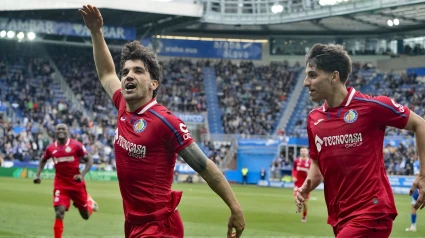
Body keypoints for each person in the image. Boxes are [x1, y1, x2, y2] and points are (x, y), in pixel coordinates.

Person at [79, 5, 245, 238]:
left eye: (138, 71)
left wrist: (235, 207)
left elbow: (204, 166)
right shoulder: (122, 106)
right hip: (134, 224)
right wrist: (96, 32)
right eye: (126, 71)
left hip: (159, 227)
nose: (128, 76)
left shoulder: (166, 122)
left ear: (153, 84)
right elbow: (107, 73)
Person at [296, 43, 425, 237]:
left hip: (372, 211)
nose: (306, 82)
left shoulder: (372, 107)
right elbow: (317, 165)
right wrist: (306, 186)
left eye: (313, 75)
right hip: (340, 216)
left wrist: (423, 174)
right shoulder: (314, 119)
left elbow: (420, 124)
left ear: (334, 76)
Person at [34, 124, 98, 238]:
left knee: (85, 216)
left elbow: (90, 160)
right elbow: (43, 160)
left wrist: (82, 175)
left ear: (68, 131)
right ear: (55, 131)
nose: (61, 131)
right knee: (59, 212)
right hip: (60, 184)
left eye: (63, 129)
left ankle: (90, 204)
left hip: (76, 184)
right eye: (58, 129)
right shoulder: (51, 148)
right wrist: (37, 174)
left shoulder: (76, 145)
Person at [292, 147, 311, 222]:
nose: (303, 152)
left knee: (305, 202)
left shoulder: (310, 162)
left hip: (306, 185)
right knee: (296, 198)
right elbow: (294, 169)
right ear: (300, 152)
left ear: (307, 152)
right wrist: (293, 176)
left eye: (304, 151)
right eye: (301, 151)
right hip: (297, 184)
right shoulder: (296, 161)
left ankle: (304, 215)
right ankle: (299, 205)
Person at [406, 157, 421, 232]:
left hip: (420, 188)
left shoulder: (417, 163)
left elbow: (418, 176)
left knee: (413, 207)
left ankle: (413, 226)